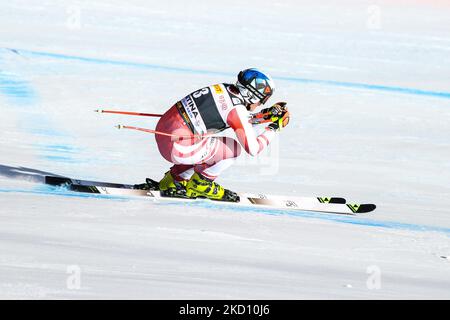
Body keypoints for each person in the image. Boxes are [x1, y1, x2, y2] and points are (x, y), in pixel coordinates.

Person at [153, 68, 290, 202]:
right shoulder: (237, 110)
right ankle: (201, 184)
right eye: (262, 100)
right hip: (177, 149)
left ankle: (174, 179)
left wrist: (264, 116)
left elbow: (236, 118)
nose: (260, 104)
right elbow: (253, 149)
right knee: (232, 148)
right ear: (252, 95)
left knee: (206, 142)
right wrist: (274, 128)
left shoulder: (222, 88)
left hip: (164, 135)